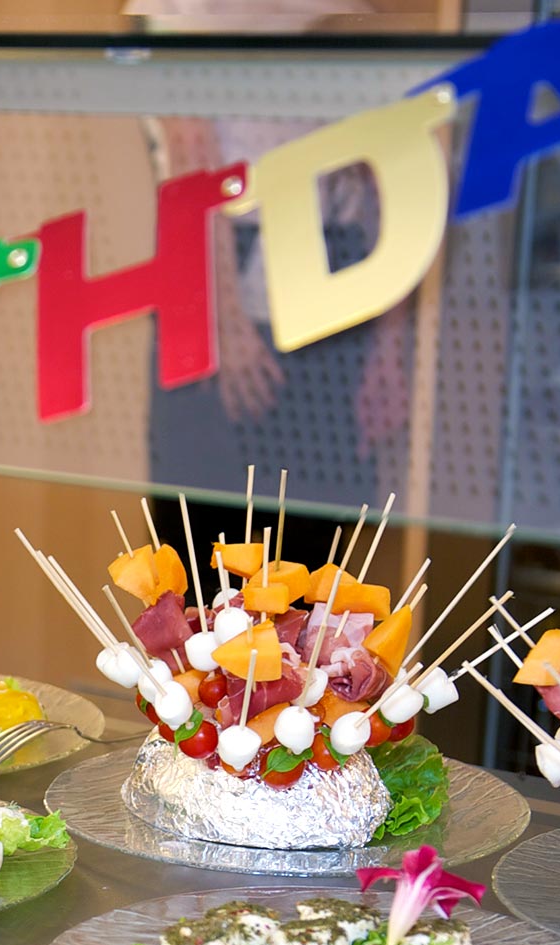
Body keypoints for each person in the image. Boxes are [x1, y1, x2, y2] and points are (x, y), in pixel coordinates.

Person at [127, 0, 419, 542]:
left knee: (315, 537)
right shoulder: (188, 18)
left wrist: (388, 347)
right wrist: (225, 322)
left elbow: (389, 167)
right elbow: (192, 159)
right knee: (205, 534)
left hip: (335, 266)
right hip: (225, 266)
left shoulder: (360, 20)